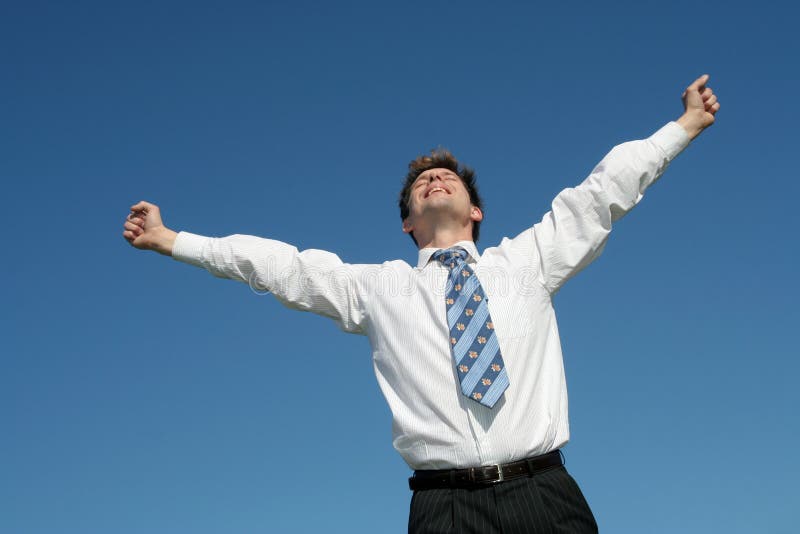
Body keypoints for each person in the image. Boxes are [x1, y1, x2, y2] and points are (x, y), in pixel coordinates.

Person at [123, 75, 720, 533]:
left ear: (476, 210)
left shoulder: (528, 262)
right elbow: (281, 266)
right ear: (408, 222)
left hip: (546, 494)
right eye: (421, 183)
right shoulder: (379, 289)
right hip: (443, 507)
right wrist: (175, 240)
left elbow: (601, 194)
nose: (435, 179)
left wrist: (684, 126)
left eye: (447, 177)